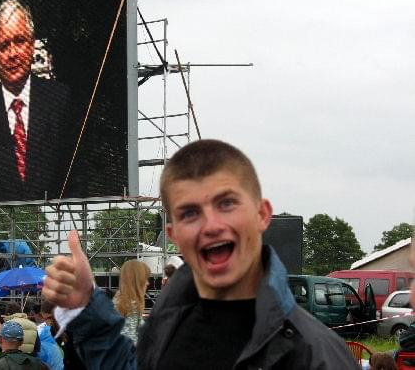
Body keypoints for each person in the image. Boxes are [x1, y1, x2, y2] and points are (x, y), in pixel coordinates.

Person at [43, 139, 360, 369]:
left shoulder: (314, 354)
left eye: (226, 203)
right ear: (174, 236)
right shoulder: (168, 322)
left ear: (262, 214)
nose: (211, 226)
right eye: (190, 213)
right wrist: (85, 304)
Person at [0, 0, 75, 203]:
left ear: (31, 45)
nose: (12, 53)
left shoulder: (63, 101)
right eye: (4, 46)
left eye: (19, 41)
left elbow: (79, 179)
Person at [113, 260, 150, 345]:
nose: (147, 283)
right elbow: (130, 341)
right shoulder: (131, 305)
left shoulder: (120, 300)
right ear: (138, 281)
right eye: (145, 279)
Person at [37, 301, 65, 370]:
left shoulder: (71, 330)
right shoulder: (40, 331)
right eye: (44, 318)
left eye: (49, 317)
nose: (47, 321)